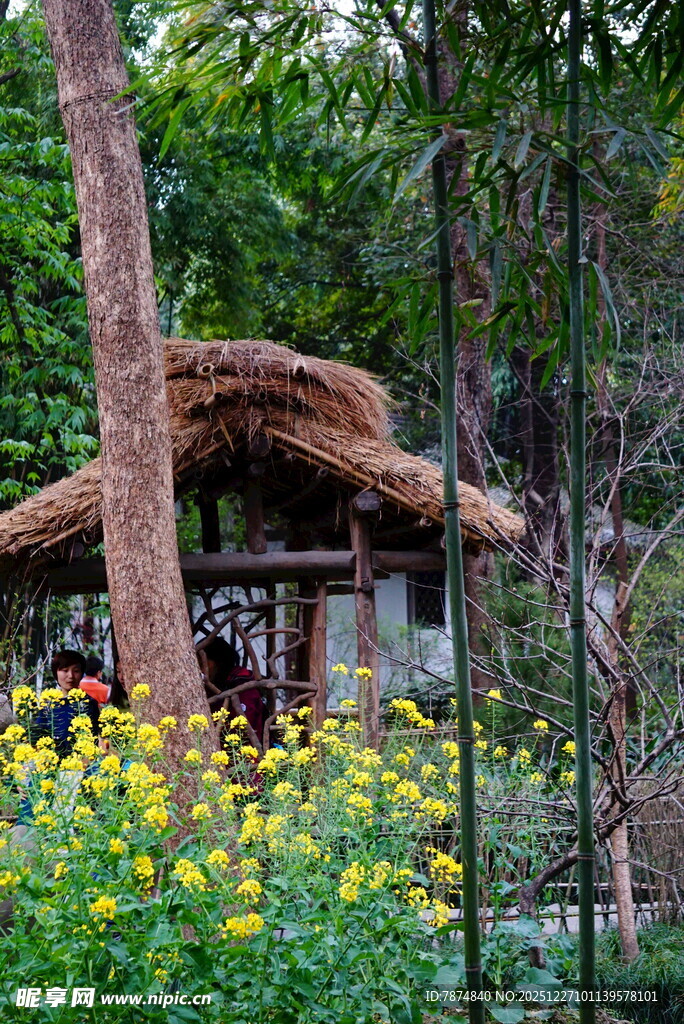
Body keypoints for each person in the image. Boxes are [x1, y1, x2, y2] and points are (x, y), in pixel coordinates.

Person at [28, 649, 100, 756]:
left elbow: (96, 739)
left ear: (81, 674)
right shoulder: (49, 703)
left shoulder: (88, 703)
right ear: (55, 673)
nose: (70, 676)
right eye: (65, 670)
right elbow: (38, 735)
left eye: (76, 671)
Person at [201, 637, 265, 741]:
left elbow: (245, 725)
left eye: (202, 663)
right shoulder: (214, 683)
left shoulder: (242, 685)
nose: (200, 669)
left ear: (219, 662)